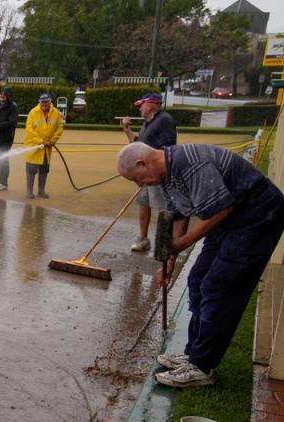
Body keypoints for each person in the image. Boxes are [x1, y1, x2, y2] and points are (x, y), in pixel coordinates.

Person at [117, 141, 284, 388]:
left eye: (136, 178)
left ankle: (202, 367)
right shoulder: (166, 175)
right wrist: (169, 261)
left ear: (142, 163)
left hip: (257, 216)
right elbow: (179, 216)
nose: (139, 185)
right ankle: (194, 354)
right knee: (197, 279)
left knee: (220, 287)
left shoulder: (189, 163)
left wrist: (181, 245)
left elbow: (220, 210)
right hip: (230, 219)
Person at [121, 92, 177, 252]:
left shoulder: (164, 120)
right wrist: (127, 129)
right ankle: (143, 238)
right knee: (143, 203)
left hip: (156, 174)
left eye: (141, 106)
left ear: (151, 104)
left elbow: (168, 149)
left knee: (162, 206)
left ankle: (164, 242)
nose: (139, 109)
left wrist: (154, 168)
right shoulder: (148, 123)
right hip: (144, 173)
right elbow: (137, 144)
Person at [24, 93, 64, 199]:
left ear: (50, 101)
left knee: (44, 169)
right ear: (39, 102)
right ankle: (29, 191)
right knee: (31, 169)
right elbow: (29, 130)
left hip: (47, 147)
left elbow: (59, 128)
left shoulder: (56, 113)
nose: (44, 104)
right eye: (42, 102)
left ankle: (41, 191)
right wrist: (40, 141)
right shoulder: (33, 112)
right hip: (33, 146)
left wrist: (52, 141)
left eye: (46, 101)